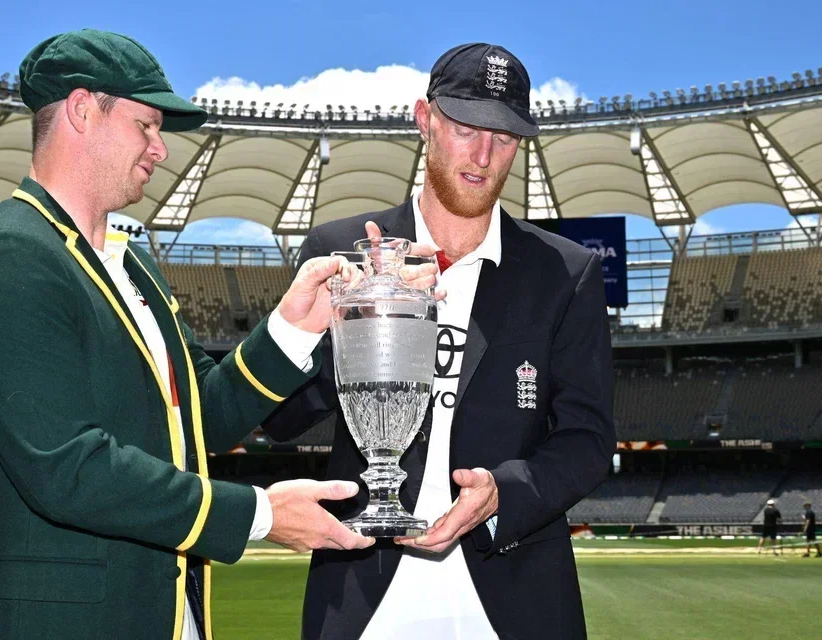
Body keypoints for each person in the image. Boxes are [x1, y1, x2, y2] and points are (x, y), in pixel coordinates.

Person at [0, 29, 437, 640]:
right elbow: (69, 469)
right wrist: (259, 514)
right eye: (146, 124)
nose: (160, 148)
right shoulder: (12, 258)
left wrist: (297, 324)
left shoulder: (129, 263)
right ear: (82, 110)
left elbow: (201, 419)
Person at [262, 43, 616, 639]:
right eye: (465, 127)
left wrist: (503, 493)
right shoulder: (342, 251)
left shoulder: (566, 273)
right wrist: (344, 326)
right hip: (363, 589)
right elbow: (282, 418)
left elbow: (587, 439)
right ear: (424, 119)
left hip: (515, 593)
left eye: (503, 137)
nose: (482, 155)